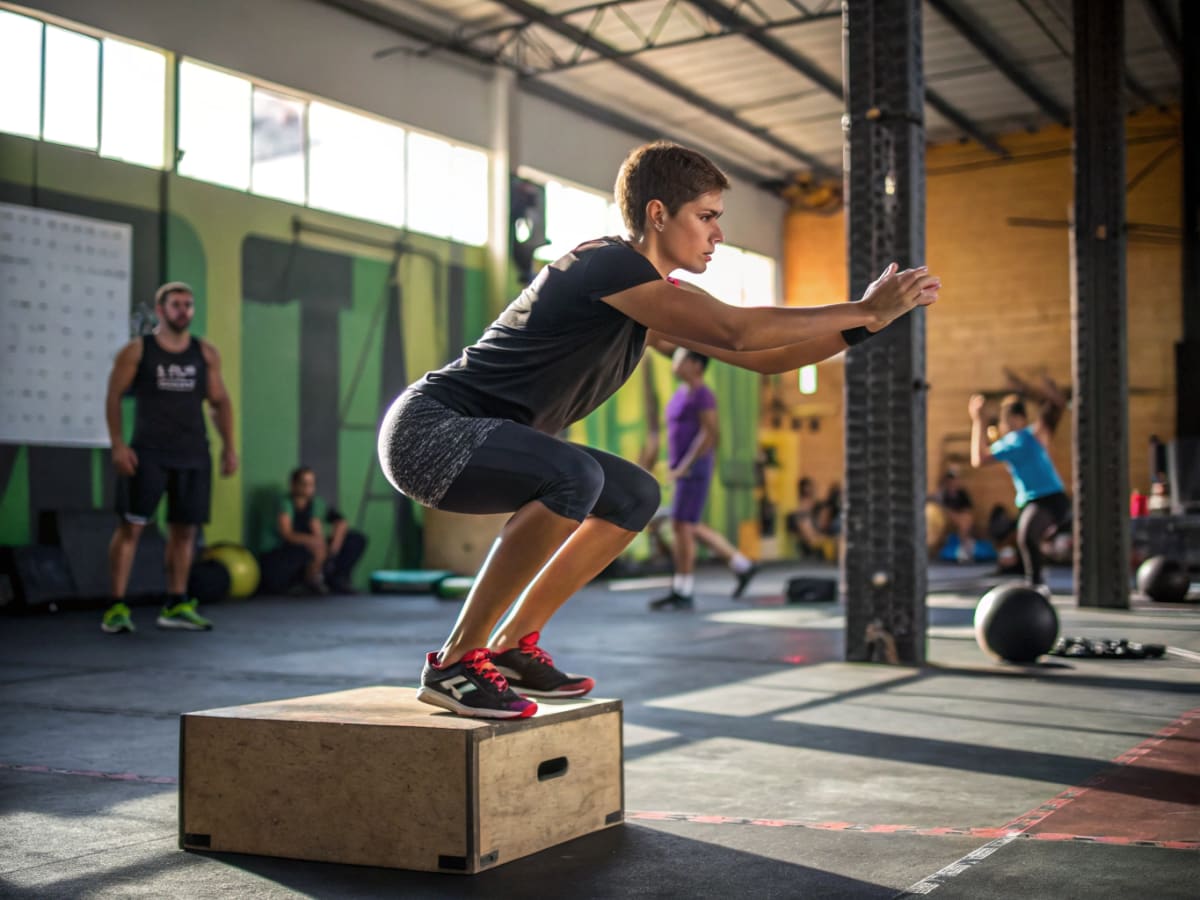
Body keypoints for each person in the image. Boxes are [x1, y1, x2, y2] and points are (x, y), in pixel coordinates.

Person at [378, 141, 941, 718]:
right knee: (575, 474)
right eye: (707, 217)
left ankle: (511, 645)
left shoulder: (652, 298)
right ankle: (453, 660)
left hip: (479, 437)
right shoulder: (608, 264)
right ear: (657, 214)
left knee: (634, 494)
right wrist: (861, 308)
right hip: (430, 432)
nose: (717, 234)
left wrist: (868, 328)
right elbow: (739, 331)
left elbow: (761, 359)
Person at [102, 282, 237, 634]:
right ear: (161, 310)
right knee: (131, 527)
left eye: (189, 305)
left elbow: (219, 402)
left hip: (193, 453)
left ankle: (176, 603)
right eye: (176, 305)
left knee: (184, 531)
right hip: (148, 453)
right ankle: (116, 606)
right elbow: (114, 396)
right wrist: (118, 444)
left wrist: (229, 446)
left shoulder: (205, 353)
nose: (184, 311)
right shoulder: (137, 351)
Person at [648, 348, 757, 610]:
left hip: (693, 470)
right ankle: (742, 566)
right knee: (688, 526)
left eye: (680, 358)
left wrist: (685, 466)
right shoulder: (679, 394)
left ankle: (683, 590)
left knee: (682, 527)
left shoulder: (703, 394)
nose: (674, 362)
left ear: (696, 365)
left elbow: (710, 434)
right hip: (680, 469)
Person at [968, 392, 1068, 588]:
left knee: (1026, 535)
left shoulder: (1021, 438)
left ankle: (1036, 584)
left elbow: (978, 458)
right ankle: (1036, 580)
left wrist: (978, 420)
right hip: (1040, 500)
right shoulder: (1026, 436)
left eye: (1010, 422)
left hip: (1048, 498)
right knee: (1024, 537)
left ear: (1018, 420)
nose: (1007, 427)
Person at [256, 466, 368, 595]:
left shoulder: (317, 504)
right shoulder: (285, 504)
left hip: (318, 548)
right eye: (304, 484)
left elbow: (341, 522)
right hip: (287, 549)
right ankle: (308, 581)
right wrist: (314, 541)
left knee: (355, 540)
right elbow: (286, 534)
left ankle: (337, 579)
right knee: (310, 549)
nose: (308, 488)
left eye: (311, 484)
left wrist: (334, 547)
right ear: (294, 485)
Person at [935, 466, 975, 562]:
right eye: (951, 480)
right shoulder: (943, 493)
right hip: (947, 518)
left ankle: (964, 545)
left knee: (965, 520)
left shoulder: (962, 493)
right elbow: (942, 508)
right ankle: (965, 545)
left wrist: (962, 515)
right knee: (963, 521)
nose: (953, 482)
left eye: (955, 480)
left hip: (961, 518)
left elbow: (968, 508)